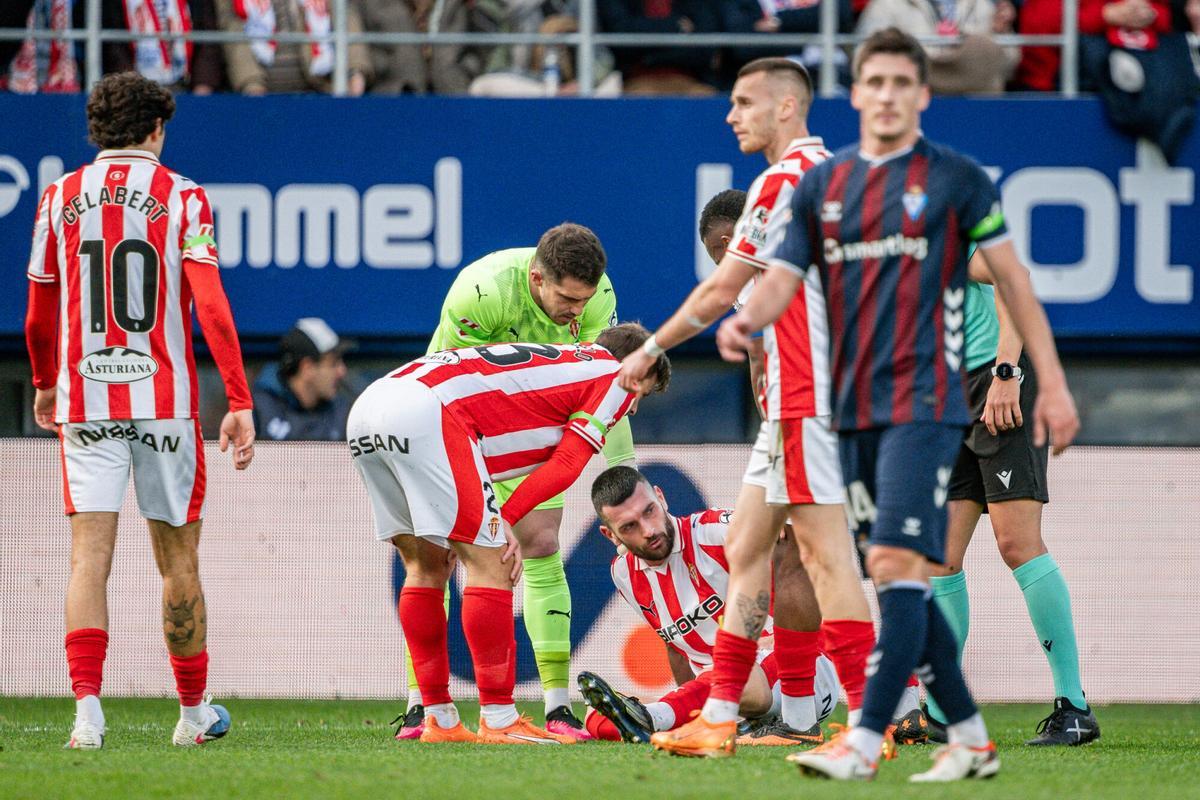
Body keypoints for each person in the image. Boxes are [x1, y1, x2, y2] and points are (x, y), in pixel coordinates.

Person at [717, 27, 1080, 781]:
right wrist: (751, 321)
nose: (885, 96)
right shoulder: (833, 184)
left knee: (926, 557)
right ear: (854, 96)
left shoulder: (953, 182)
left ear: (921, 94)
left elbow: (1008, 279)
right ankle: (963, 731)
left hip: (955, 391)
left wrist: (1030, 374)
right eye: (872, 82)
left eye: (899, 83)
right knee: (921, 564)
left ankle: (880, 729)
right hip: (870, 403)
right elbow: (785, 276)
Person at [619, 57, 876, 758]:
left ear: (786, 108)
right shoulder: (836, 172)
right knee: (746, 549)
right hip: (799, 401)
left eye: (743, 102)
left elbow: (717, 291)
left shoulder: (787, 179)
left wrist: (649, 350)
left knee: (826, 563)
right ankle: (723, 716)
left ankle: (863, 724)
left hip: (809, 400)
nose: (731, 115)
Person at [24, 72, 256, 749]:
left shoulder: (58, 197)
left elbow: (39, 313)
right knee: (178, 562)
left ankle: (87, 714)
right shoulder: (181, 195)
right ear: (156, 128)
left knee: (86, 560)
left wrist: (44, 382)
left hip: (85, 400)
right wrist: (238, 399)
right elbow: (210, 305)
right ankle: (192, 713)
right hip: (163, 407)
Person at [347, 324, 670, 745]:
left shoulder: (563, 362)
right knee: (494, 564)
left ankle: (439, 718)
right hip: (429, 413)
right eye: (642, 395)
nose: (633, 408)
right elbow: (568, 463)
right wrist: (509, 519)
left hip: (372, 405)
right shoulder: (617, 374)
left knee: (425, 566)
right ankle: (499, 717)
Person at [391, 223, 629, 742]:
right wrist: (491, 514)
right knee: (439, 552)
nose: (575, 311)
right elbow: (448, 391)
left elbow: (611, 384)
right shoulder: (481, 292)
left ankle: (557, 707)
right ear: (537, 278)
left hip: (528, 428)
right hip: (448, 423)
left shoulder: (596, 298)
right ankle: (421, 704)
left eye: (584, 301)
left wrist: (623, 472)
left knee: (541, 542)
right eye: (567, 299)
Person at [924, 254, 1099, 746]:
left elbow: (1012, 276)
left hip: (994, 381)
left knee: (1017, 544)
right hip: (947, 398)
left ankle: (1075, 708)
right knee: (939, 558)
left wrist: (1008, 372)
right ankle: (941, 712)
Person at [579, 466, 841, 745]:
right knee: (595, 719)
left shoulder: (715, 531)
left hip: (797, 677)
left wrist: (776, 519)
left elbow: (799, 546)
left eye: (649, 511)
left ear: (661, 497)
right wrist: (694, 718)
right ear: (611, 536)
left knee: (738, 674)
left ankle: (654, 717)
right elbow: (675, 645)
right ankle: (665, 719)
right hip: (725, 696)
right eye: (629, 527)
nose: (649, 530)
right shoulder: (623, 574)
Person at [252, 317, 351, 441]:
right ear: (307, 368)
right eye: (333, 364)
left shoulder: (343, 412)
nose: (342, 371)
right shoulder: (256, 409)